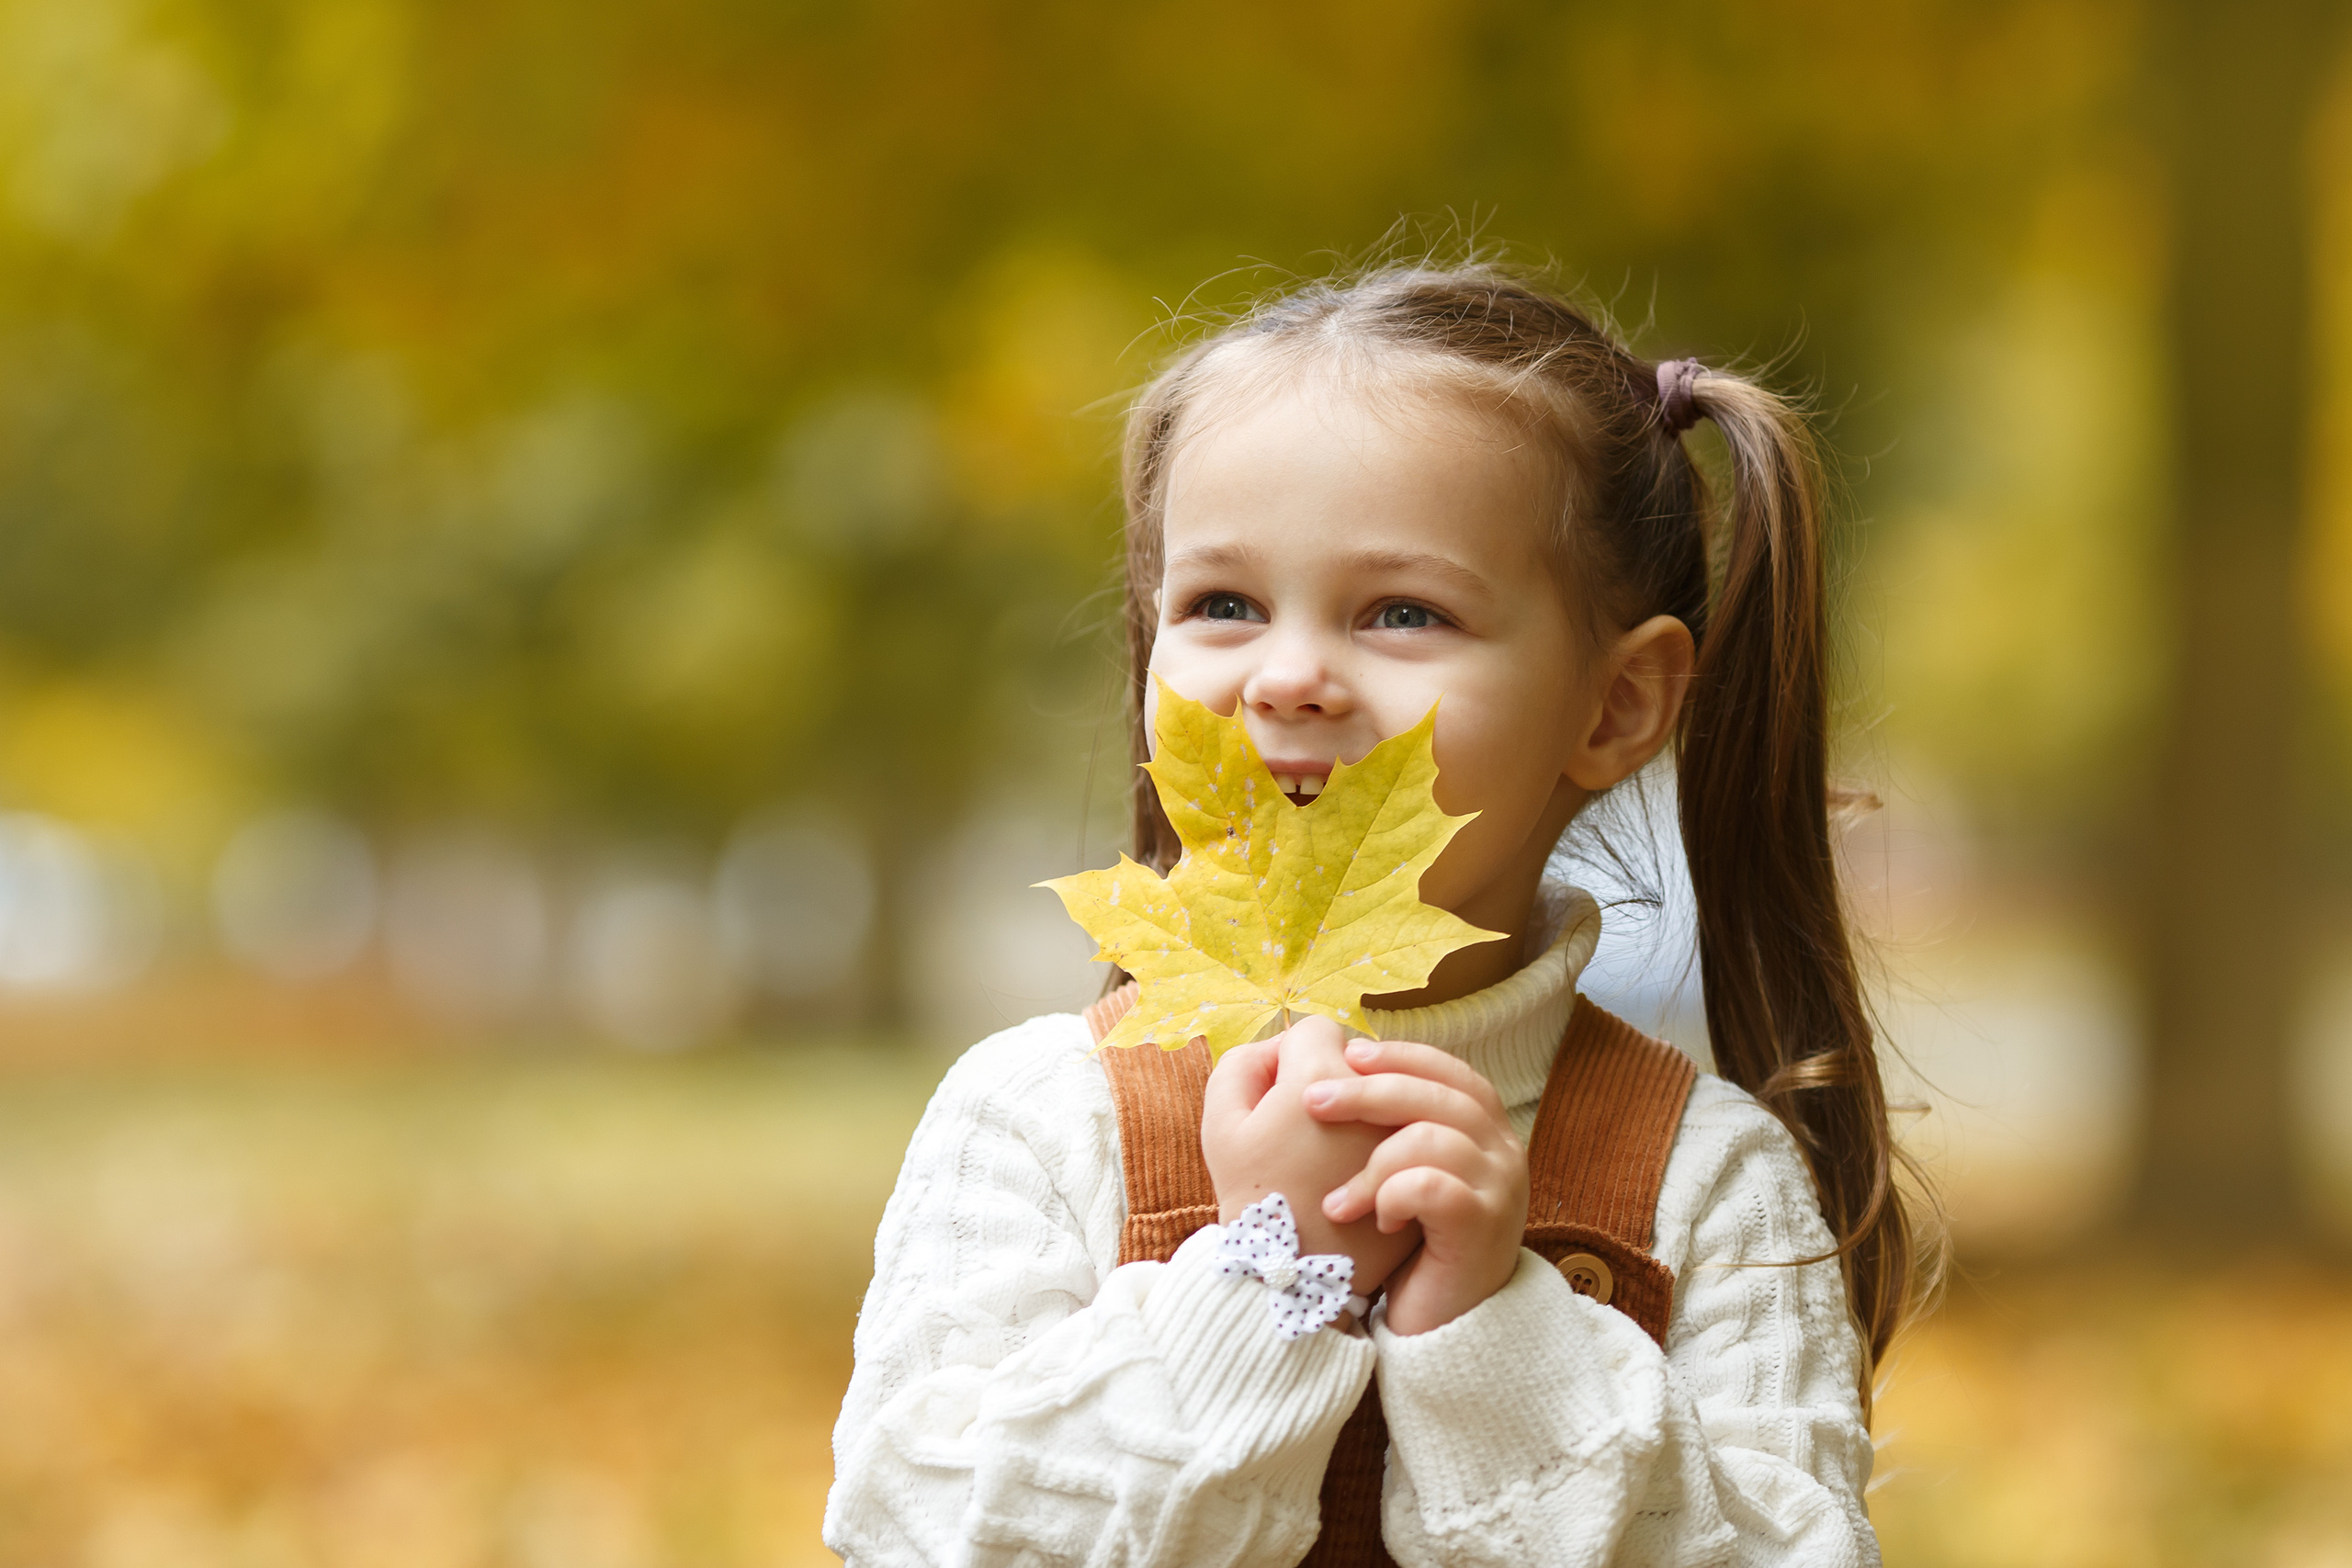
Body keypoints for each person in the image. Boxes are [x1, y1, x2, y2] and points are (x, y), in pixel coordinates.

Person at [824, 263, 1924, 1565]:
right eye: (1223, 604)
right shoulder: (1039, 1122)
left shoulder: (1707, 1179)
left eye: (1405, 612)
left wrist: (1494, 1339)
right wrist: (1262, 1284)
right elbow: (928, 1534)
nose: (1288, 677)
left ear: (1617, 706)